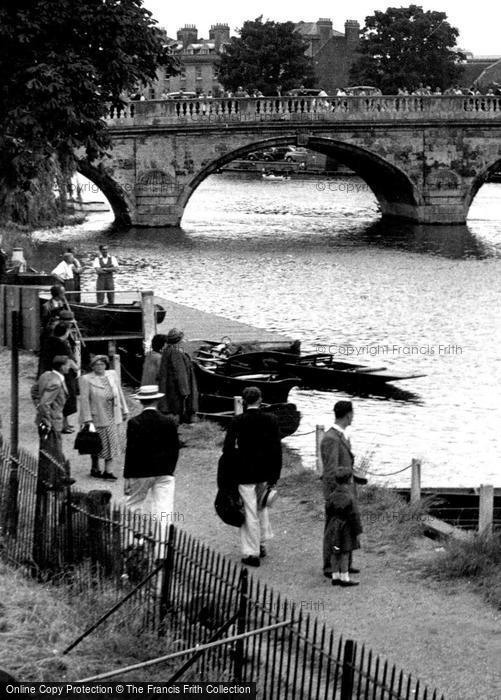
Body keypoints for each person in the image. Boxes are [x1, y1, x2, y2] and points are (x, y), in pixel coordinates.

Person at [219, 386, 282, 567]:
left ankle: (251, 552)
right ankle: (261, 542)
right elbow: (276, 450)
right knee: (261, 507)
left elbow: (227, 449)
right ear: (260, 399)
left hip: (244, 472)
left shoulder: (237, 421)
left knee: (249, 511)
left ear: (244, 402)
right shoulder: (271, 420)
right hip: (264, 471)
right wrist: (274, 475)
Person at [124, 384, 180, 545]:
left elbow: (131, 451)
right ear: (157, 401)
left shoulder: (134, 422)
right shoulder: (168, 422)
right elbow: (174, 449)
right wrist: (170, 470)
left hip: (140, 472)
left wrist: (128, 476)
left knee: (134, 505)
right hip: (164, 471)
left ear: (141, 402)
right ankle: (161, 548)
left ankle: (133, 542)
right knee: (163, 509)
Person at [320, 400, 366, 579]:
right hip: (338, 493)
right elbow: (331, 470)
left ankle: (344, 564)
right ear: (348, 415)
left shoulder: (340, 436)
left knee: (345, 528)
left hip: (346, 491)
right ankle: (329, 565)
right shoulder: (331, 438)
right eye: (352, 413)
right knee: (333, 529)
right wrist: (335, 495)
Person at [79, 355, 129, 480]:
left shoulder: (112, 374)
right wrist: (87, 419)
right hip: (97, 416)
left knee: (111, 443)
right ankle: (95, 467)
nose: (100, 366)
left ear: (106, 365)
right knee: (96, 443)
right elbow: (84, 400)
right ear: (92, 366)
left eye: (102, 364)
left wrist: (125, 409)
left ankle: (108, 471)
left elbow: (120, 392)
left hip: (112, 414)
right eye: (97, 364)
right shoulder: (86, 379)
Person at [31, 355, 74, 489]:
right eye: (67, 365)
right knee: (53, 450)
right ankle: (55, 481)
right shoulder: (56, 382)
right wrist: (48, 419)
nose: (69, 367)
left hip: (45, 420)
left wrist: (38, 408)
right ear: (62, 367)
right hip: (53, 422)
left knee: (50, 450)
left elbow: (34, 391)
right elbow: (45, 403)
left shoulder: (46, 375)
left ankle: (56, 478)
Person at [325, 468, 363, 587]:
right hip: (346, 528)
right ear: (349, 480)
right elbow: (354, 515)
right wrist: (358, 530)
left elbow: (328, 510)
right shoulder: (350, 497)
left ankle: (335, 575)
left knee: (335, 551)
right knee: (345, 552)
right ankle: (345, 578)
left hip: (333, 526)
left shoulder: (331, 496)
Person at [158, 328, 198, 423]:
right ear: (179, 340)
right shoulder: (176, 353)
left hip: (168, 388)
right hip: (175, 390)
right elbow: (180, 373)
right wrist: (185, 391)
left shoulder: (167, 351)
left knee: (171, 410)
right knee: (176, 411)